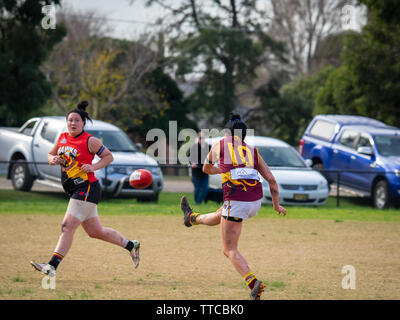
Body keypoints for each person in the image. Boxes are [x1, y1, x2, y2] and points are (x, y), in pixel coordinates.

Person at [180, 114, 287, 300]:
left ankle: (253, 283)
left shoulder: (220, 145)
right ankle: (191, 218)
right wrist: (277, 206)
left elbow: (205, 169)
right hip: (255, 203)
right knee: (219, 215)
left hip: (237, 202)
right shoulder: (252, 151)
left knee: (229, 250)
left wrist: (219, 169)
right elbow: (271, 180)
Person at [31, 101, 140, 277]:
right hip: (74, 189)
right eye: (70, 120)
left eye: (76, 120)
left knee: (67, 227)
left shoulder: (90, 140)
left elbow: (108, 157)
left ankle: (51, 267)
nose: (72, 123)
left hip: (87, 187)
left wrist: (93, 167)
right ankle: (131, 245)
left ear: (83, 123)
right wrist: (52, 160)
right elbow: (51, 154)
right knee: (95, 232)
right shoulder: (63, 138)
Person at [189, 131, 210, 204]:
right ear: (198, 138)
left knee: (205, 189)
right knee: (197, 189)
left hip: (205, 172)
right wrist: (192, 163)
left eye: (203, 138)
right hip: (196, 173)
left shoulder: (208, 147)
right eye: (201, 138)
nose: (202, 139)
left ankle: (198, 203)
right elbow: (190, 158)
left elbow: (211, 157)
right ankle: (197, 203)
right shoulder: (194, 147)